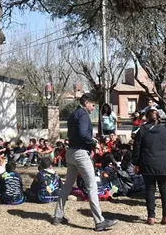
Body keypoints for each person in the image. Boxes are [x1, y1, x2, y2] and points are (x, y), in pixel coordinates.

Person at [52, 92, 117, 232]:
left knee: (67, 186)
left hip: (71, 152)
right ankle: (99, 221)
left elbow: (75, 134)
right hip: (81, 153)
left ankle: (57, 216)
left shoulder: (73, 114)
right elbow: (82, 133)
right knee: (92, 185)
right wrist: (93, 142)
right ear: (86, 103)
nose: (94, 108)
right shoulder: (83, 115)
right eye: (93, 105)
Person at [132, 108, 166, 225]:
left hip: (148, 163)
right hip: (165, 163)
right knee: (164, 189)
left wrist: (135, 163)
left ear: (146, 118)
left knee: (150, 189)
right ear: (159, 119)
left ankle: (151, 216)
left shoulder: (142, 131)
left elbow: (137, 149)